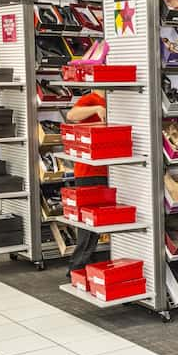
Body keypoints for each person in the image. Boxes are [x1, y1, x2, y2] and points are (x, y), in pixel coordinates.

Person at [66, 90, 106, 276]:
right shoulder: (90, 99)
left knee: (96, 223)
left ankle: (83, 264)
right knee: (88, 223)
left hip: (107, 168)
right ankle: (76, 266)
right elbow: (71, 115)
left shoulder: (113, 97)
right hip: (88, 170)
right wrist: (96, 108)